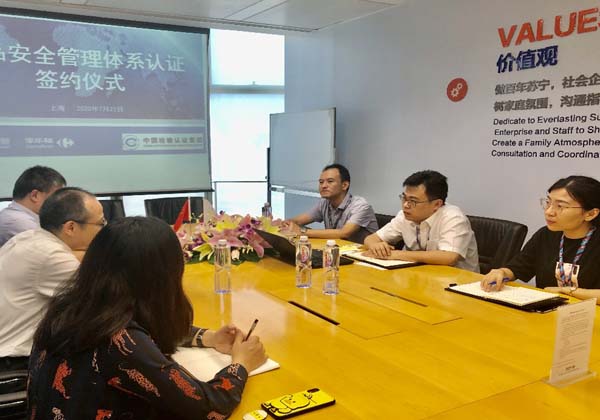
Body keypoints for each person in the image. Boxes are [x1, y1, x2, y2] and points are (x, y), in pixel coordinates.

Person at [28, 217, 267, 419]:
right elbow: (207, 408)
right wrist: (241, 363)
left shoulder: (76, 306)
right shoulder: (119, 342)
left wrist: (208, 337)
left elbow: (148, 324)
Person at [0, 187, 104, 372]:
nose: (104, 230)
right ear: (71, 227)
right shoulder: (53, 257)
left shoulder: (28, 238)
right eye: (101, 223)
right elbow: (101, 301)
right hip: (16, 363)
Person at [481, 175, 600, 302]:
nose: (549, 212)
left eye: (560, 206)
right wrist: (502, 272)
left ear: (590, 214)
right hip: (547, 309)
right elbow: (517, 268)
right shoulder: (546, 235)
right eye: (548, 203)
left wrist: (567, 291)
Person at [363, 170, 479, 272]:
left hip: (457, 282)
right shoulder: (405, 216)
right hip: (418, 275)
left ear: (437, 204)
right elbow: (371, 239)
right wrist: (376, 246)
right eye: (404, 198)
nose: (405, 205)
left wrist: (396, 254)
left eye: (413, 201)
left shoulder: (453, 217)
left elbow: (449, 257)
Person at [282, 163, 378, 243]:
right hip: (337, 250)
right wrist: (286, 223)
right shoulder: (324, 203)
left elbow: (344, 233)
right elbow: (298, 221)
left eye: (330, 181)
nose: (323, 186)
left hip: (362, 255)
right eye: (321, 182)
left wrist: (302, 232)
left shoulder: (360, 206)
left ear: (344, 185)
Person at [0, 165, 66, 247]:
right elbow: (54, 250)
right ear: (35, 196)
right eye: (56, 196)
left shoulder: (22, 216)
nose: (59, 202)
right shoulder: (19, 221)